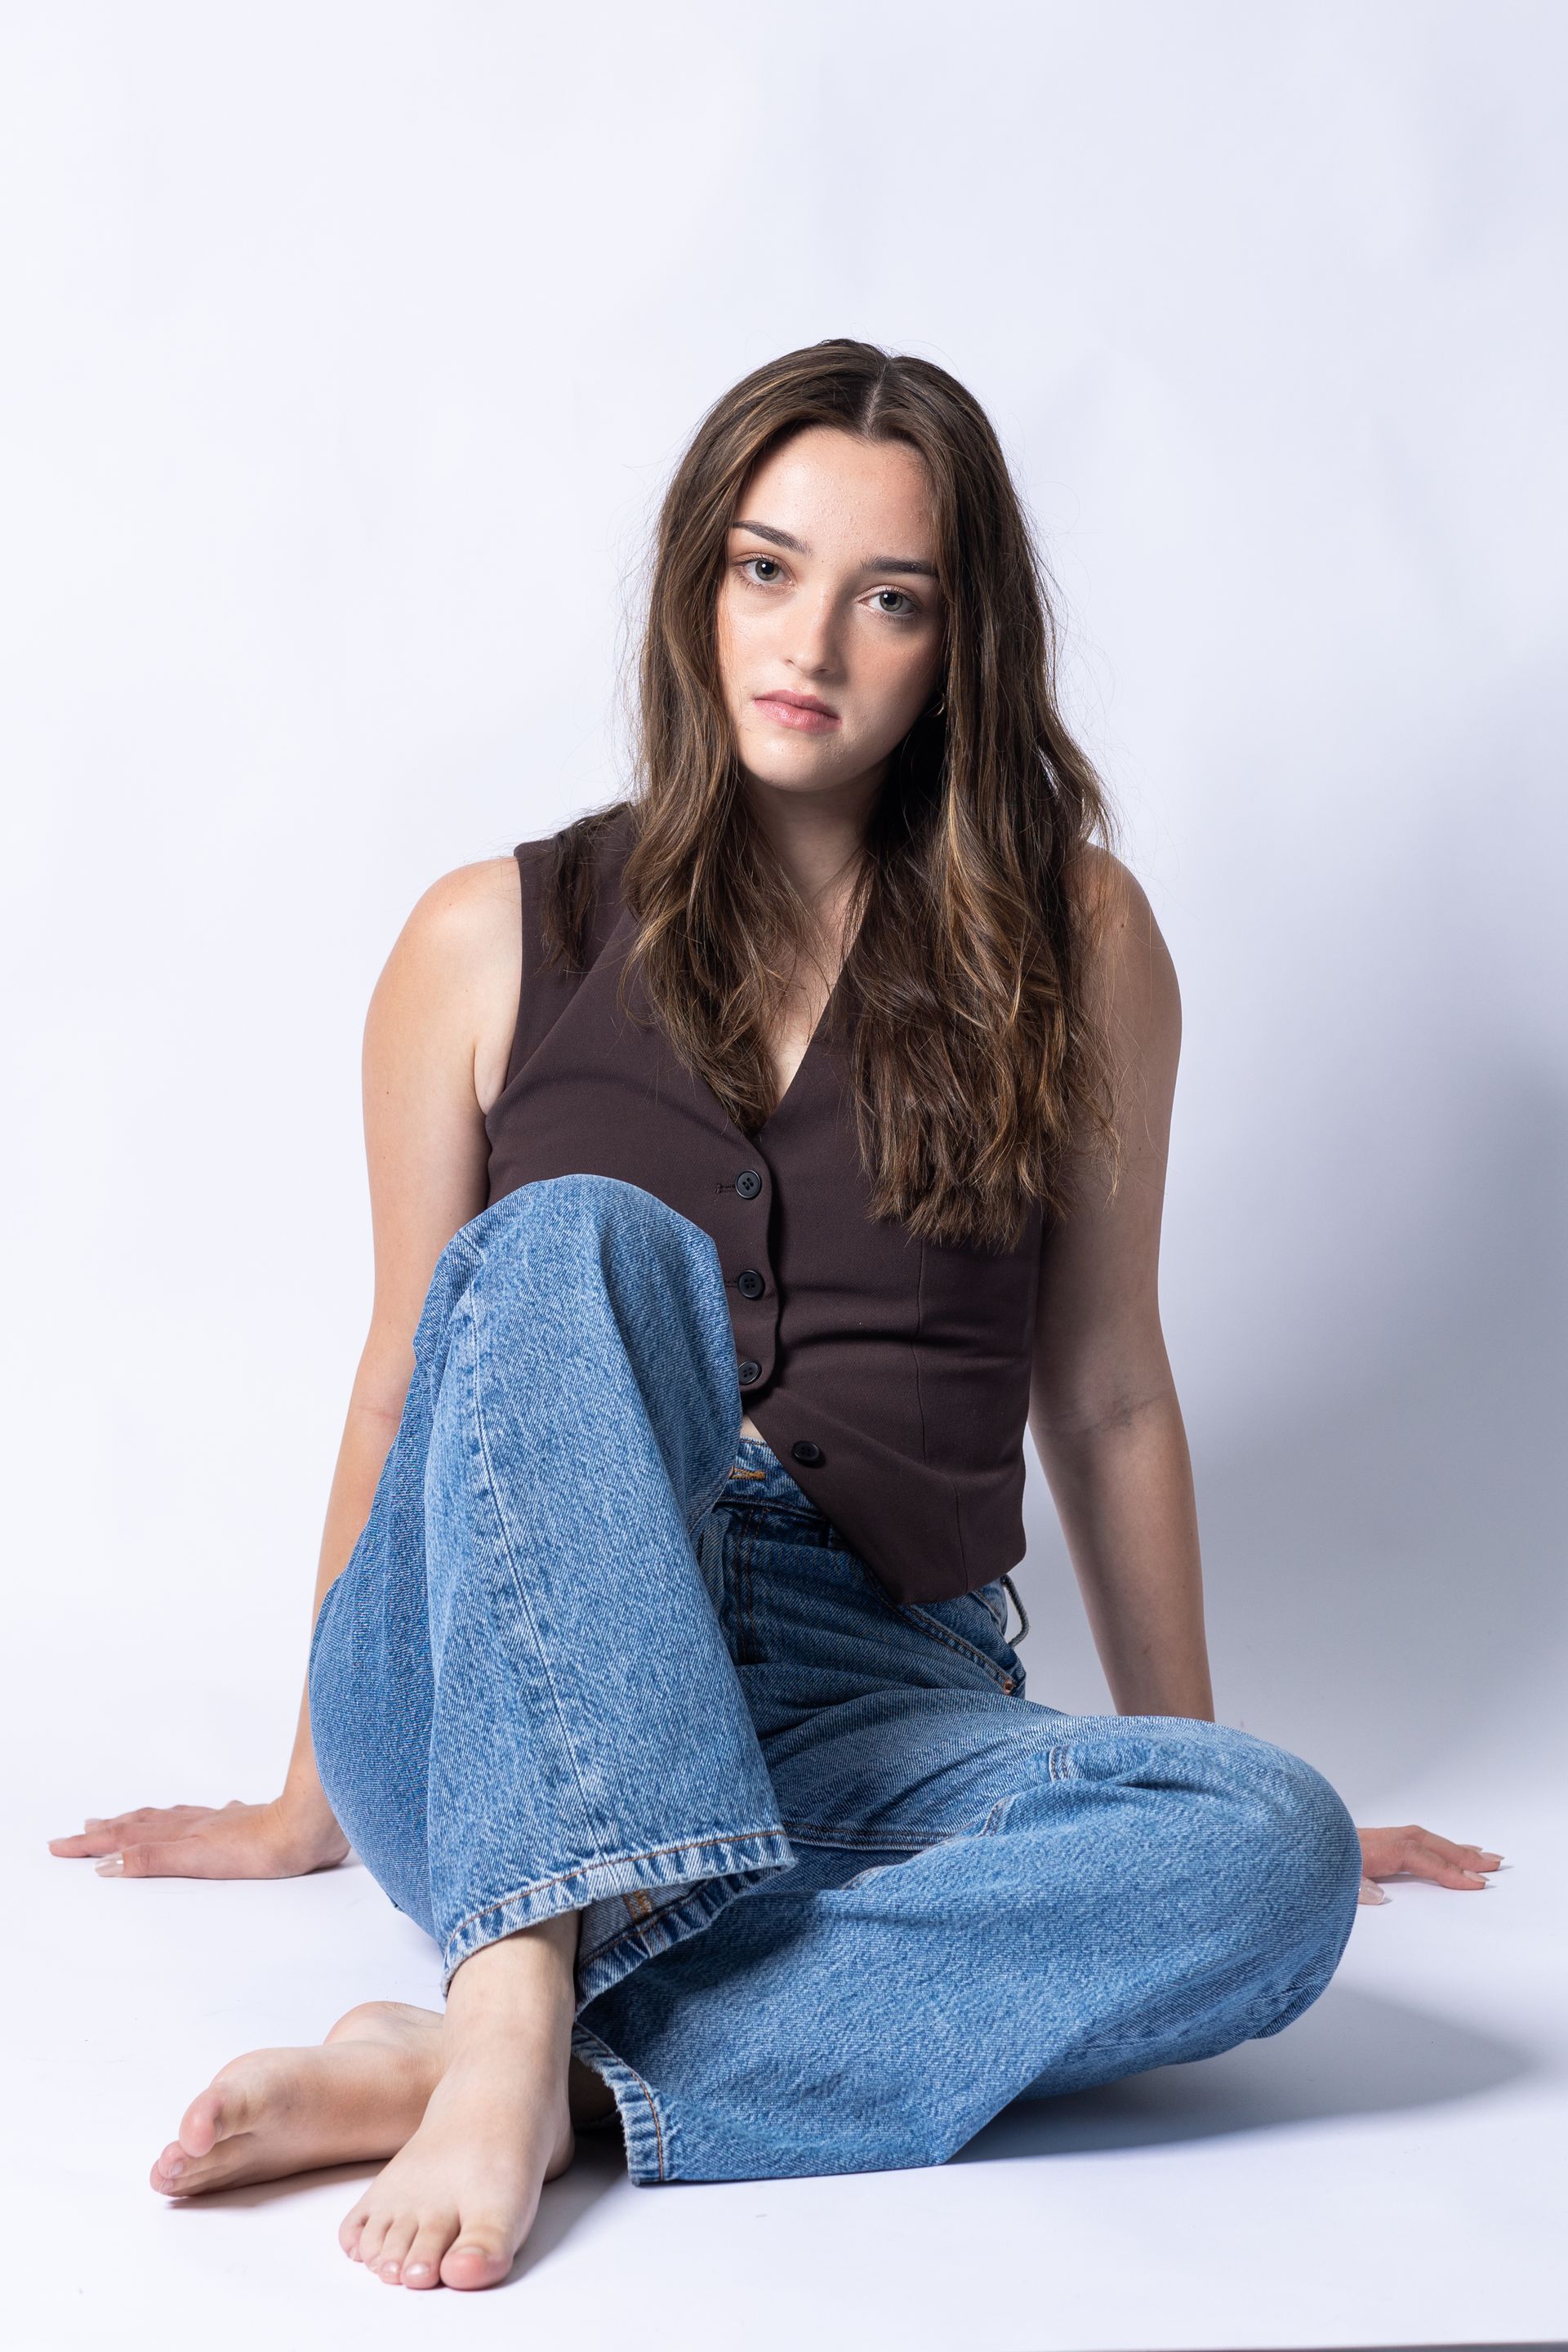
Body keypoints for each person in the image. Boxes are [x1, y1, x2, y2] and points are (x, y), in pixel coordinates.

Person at [49, 340, 1500, 2293]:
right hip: (490, 1675)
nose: (809, 642)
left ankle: (526, 2069)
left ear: (959, 648)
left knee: (1279, 1856)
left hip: (869, 1701)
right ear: (697, 587)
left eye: (889, 598)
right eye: (765, 569)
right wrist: (306, 1799)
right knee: (576, 1242)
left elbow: (1106, 1393)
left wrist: (1180, 1774)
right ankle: (516, 1992)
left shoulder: (1079, 939)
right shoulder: (487, 935)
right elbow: (407, 1382)